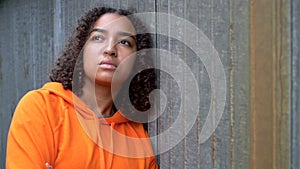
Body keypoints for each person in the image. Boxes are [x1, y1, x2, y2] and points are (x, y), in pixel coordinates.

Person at [6, 6, 158, 169]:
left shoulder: (137, 137)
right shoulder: (42, 108)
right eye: (98, 38)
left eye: (124, 42)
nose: (110, 49)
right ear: (81, 50)